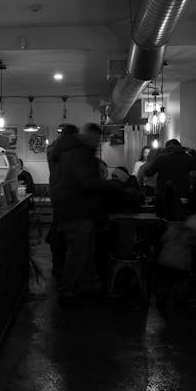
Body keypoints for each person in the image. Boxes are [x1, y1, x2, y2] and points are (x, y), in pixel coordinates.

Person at [49, 122, 120, 305]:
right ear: (88, 136)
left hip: (73, 209)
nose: (98, 143)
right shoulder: (80, 153)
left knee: (85, 251)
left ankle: (86, 286)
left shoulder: (74, 151)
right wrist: (113, 186)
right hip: (77, 210)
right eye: (97, 140)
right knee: (78, 252)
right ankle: (67, 290)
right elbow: (86, 182)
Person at [142, 139, 196, 220]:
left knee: (161, 220)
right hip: (182, 197)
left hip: (163, 196)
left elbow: (147, 173)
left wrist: (157, 155)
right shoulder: (186, 158)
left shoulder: (161, 158)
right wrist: (192, 151)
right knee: (179, 220)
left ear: (166, 148)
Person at [46, 124, 79, 278]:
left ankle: (58, 263)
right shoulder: (66, 150)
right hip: (64, 194)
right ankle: (61, 265)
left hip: (56, 191)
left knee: (57, 227)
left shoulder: (52, 147)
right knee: (62, 230)